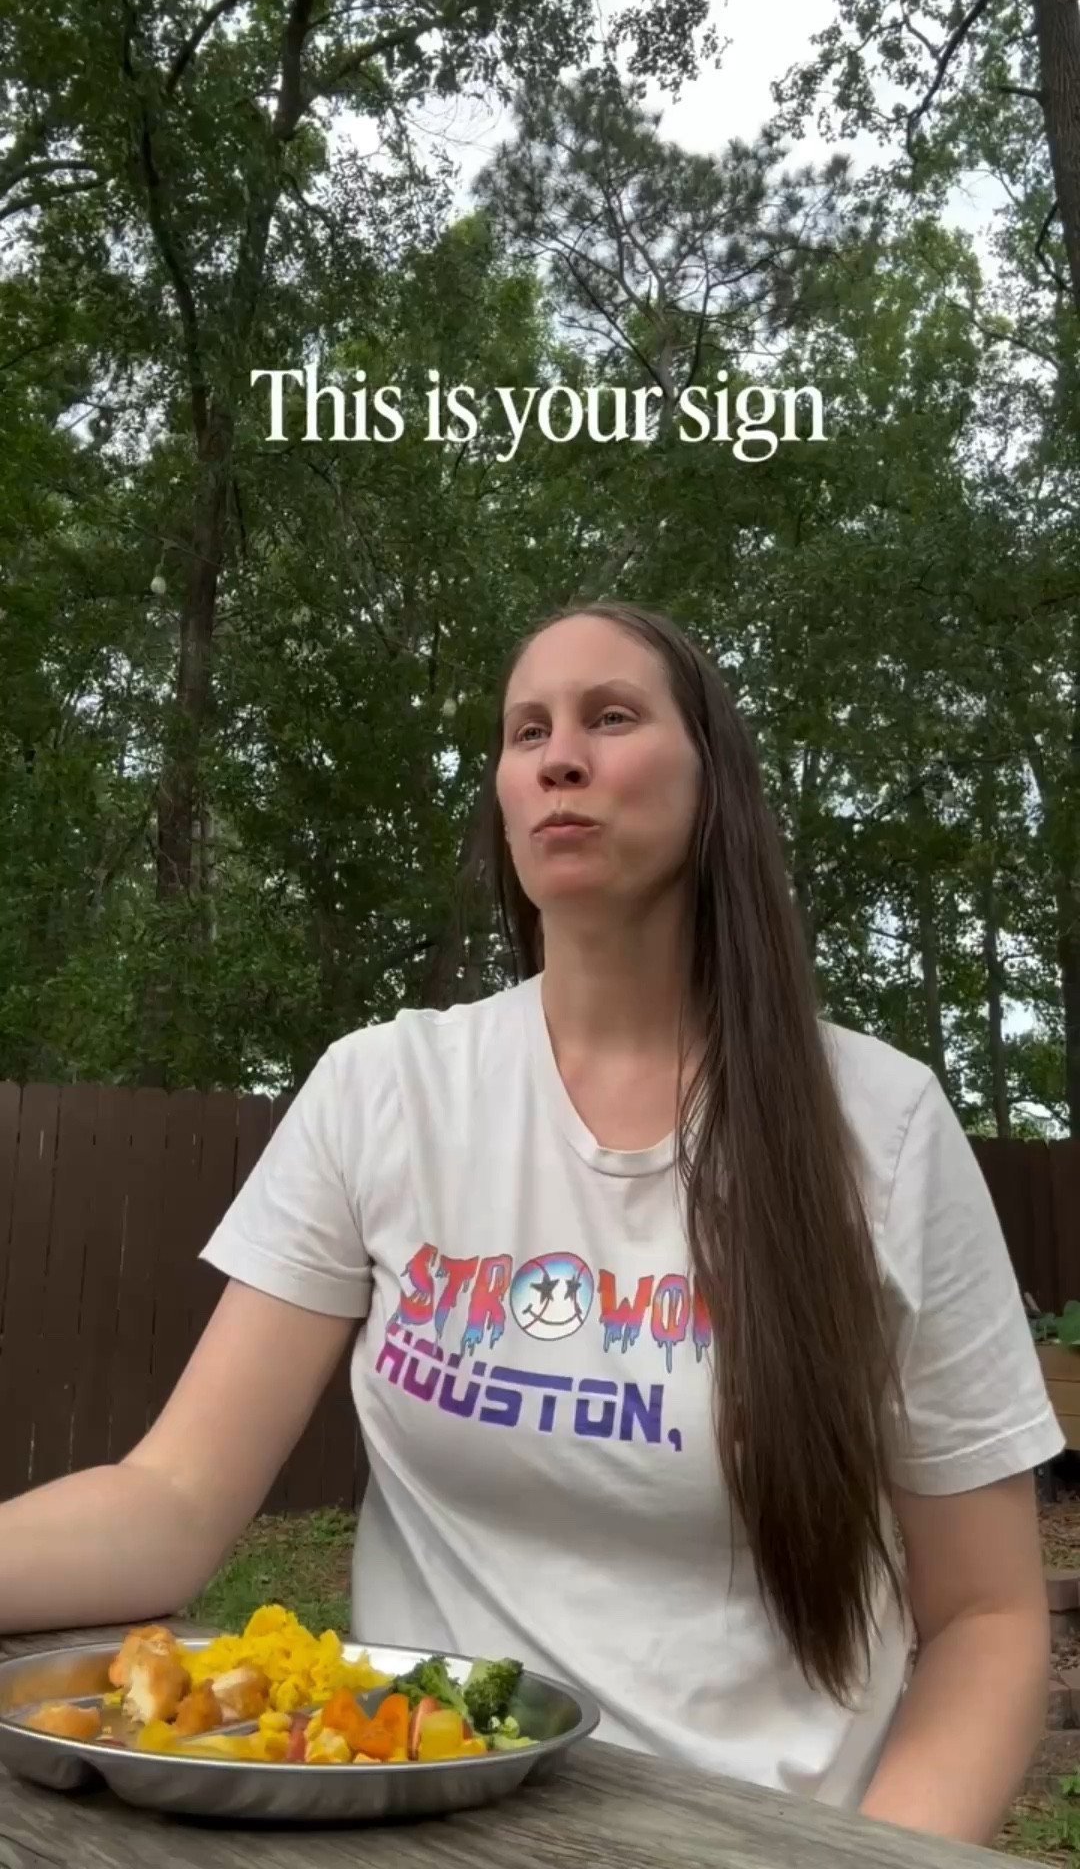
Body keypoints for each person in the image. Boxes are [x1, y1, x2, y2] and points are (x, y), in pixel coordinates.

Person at [0, 602, 1062, 1844]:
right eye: (526, 730)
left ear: (715, 781)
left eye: (612, 718)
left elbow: (989, 1619)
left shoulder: (877, 1126)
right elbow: (170, 1500)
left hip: (760, 1838)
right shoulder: (385, 1090)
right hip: (413, 1822)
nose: (559, 756)